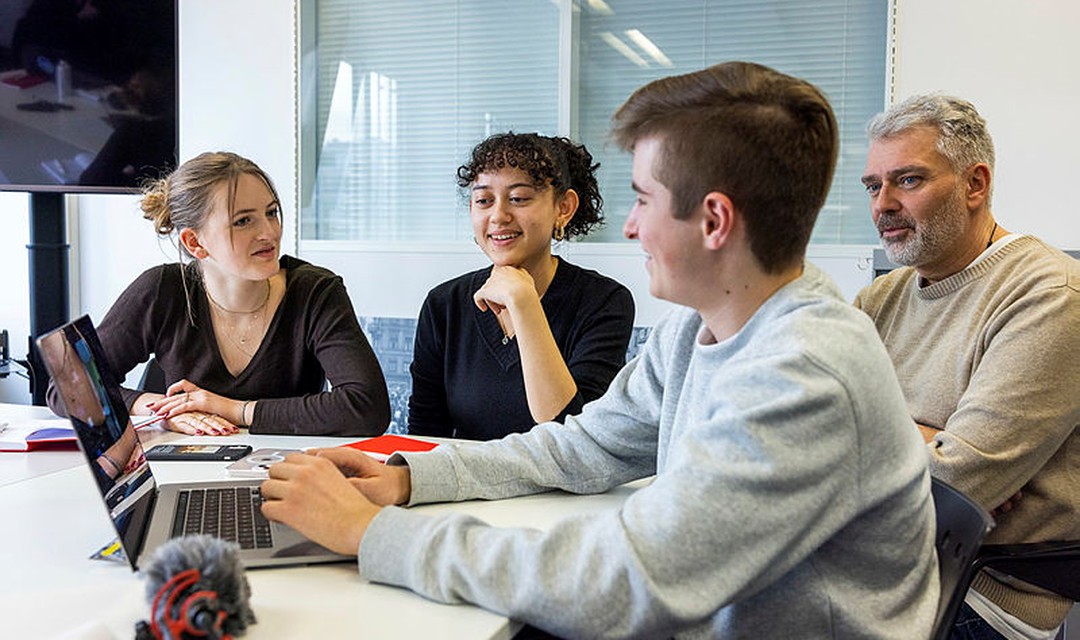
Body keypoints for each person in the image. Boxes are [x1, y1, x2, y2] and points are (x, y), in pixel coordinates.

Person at [260, 61, 938, 638]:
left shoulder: (803, 375)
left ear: (713, 220)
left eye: (644, 199)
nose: (632, 224)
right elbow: (583, 445)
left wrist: (371, 535)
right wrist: (412, 479)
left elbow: (624, 580)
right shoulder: (703, 325)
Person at [856, 94, 1080, 640]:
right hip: (882, 565)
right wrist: (925, 437)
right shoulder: (879, 299)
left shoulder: (1049, 295)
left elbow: (952, 484)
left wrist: (862, 438)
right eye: (873, 185)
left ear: (974, 185)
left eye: (907, 180)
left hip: (977, 595)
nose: (883, 204)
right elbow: (791, 425)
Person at [47, 151, 391, 437]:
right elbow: (67, 389)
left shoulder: (316, 292)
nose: (268, 232)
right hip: (183, 473)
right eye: (243, 221)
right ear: (195, 242)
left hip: (288, 476)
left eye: (271, 213)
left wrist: (230, 409)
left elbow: (367, 407)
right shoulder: (161, 290)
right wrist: (162, 410)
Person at [408, 132, 635, 440]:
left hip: (559, 488)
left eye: (518, 198)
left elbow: (578, 438)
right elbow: (424, 435)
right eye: (484, 201)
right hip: (466, 486)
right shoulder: (443, 304)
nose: (498, 216)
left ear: (563, 208)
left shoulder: (604, 301)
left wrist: (523, 301)